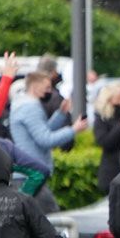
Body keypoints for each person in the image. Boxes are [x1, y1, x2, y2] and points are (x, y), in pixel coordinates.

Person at [9, 72, 87, 213]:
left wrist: (60, 114)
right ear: (35, 86)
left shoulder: (22, 104)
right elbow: (45, 140)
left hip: (26, 173)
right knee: (51, 217)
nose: (49, 91)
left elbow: (40, 132)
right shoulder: (30, 107)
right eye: (47, 87)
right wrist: (73, 130)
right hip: (32, 174)